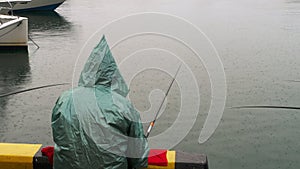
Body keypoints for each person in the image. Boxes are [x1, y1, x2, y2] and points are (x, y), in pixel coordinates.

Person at [51, 36, 149, 169]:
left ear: (87, 70)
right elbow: (138, 155)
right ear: (113, 74)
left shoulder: (65, 99)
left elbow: (59, 135)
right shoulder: (123, 106)